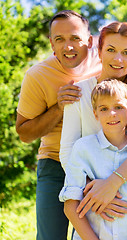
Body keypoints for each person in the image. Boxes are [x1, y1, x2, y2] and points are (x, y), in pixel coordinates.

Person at [60, 21, 127, 220]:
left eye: (126, 52)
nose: (118, 58)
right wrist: (94, 192)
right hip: (88, 197)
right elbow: (67, 151)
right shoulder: (79, 93)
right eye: (111, 50)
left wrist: (113, 183)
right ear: (99, 51)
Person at [15, 10, 101, 240]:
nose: (68, 46)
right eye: (59, 40)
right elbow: (24, 132)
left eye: (75, 38)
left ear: (90, 41)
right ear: (52, 44)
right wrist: (58, 107)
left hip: (99, 166)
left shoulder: (106, 63)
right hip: (54, 166)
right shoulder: (37, 75)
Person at [59, 79, 127, 240]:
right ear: (95, 114)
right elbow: (70, 206)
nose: (112, 114)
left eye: (118, 107)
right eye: (104, 109)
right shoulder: (82, 148)